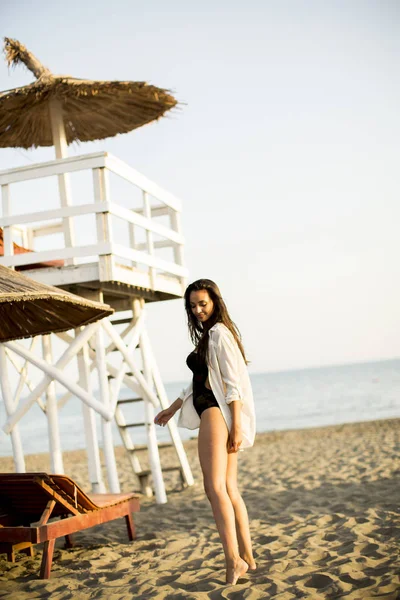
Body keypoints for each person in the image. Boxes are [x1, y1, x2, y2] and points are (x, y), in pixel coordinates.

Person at [154, 278, 256, 585]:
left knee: (214, 489)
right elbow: (199, 379)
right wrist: (173, 407)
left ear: (215, 302)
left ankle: (232, 561)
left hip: (216, 412)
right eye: (193, 305)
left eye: (203, 304)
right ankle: (248, 557)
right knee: (228, 488)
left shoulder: (218, 334)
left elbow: (234, 384)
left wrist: (236, 425)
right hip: (212, 409)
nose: (198, 310)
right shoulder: (212, 334)